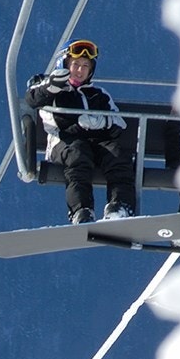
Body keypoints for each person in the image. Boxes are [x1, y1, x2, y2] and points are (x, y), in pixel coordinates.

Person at [26, 39, 137, 224]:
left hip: (97, 144)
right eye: (75, 64)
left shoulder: (98, 94)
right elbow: (33, 99)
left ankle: (120, 206)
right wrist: (52, 86)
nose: (80, 70)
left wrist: (101, 121)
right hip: (63, 143)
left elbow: (119, 123)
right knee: (77, 154)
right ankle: (81, 210)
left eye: (85, 66)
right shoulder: (53, 90)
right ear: (64, 64)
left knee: (117, 155)